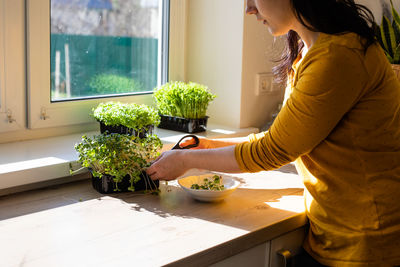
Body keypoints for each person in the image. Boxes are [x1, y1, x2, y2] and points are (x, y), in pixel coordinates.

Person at [146, 0, 400, 266]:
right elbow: (280, 138)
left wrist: (185, 161)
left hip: (368, 240)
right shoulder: (313, 50)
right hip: (337, 232)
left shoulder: (338, 56)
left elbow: (273, 151)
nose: (249, 10)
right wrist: (206, 145)